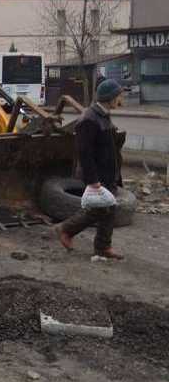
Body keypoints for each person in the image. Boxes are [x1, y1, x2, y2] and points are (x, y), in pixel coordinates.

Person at [56, 79, 125, 260]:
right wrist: (93, 180)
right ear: (109, 98)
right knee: (100, 209)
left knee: (108, 209)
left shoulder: (103, 115)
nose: (121, 100)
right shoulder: (89, 119)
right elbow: (84, 154)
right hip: (97, 175)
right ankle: (65, 229)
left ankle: (103, 247)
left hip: (108, 173)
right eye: (119, 96)